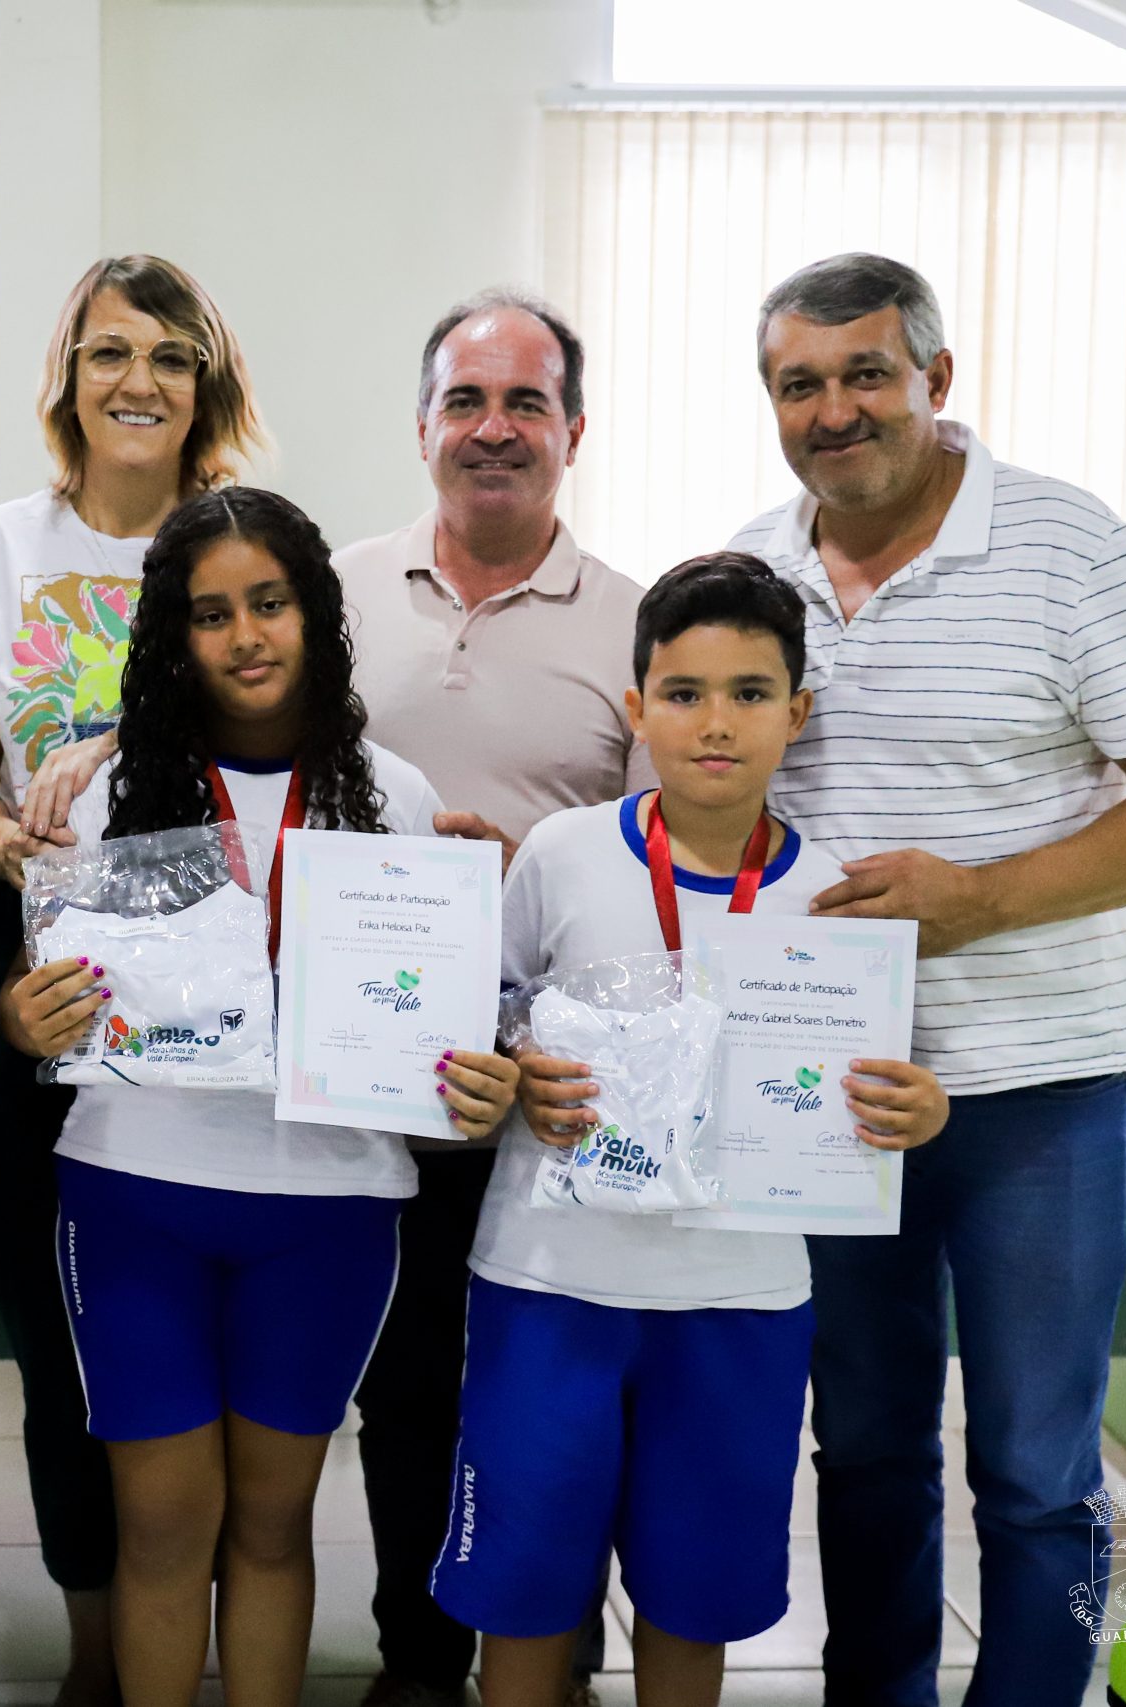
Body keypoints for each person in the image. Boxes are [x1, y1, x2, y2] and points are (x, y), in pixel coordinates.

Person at [728, 253, 1126, 1707]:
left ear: (937, 383)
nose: (836, 411)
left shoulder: (1073, 550)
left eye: (866, 375)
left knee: (1034, 1467)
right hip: (833, 1098)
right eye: (800, 383)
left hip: (1041, 1095)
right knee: (873, 1445)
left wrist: (981, 902)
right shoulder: (756, 567)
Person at [2, 487, 521, 1707]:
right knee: (164, 1527)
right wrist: (24, 1020)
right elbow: (50, 1009)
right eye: (211, 613)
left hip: (328, 1205)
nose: (245, 636)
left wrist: (472, 1059)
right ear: (172, 638)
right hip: (136, 1194)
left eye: (271, 603)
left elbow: (433, 1030)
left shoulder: (391, 794)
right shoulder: (100, 792)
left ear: (316, 613)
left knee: (277, 1527)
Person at [432, 552, 950, 1707]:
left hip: (739, 1305)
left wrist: (921, 1108)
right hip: (548, 1286)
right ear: (636, 708)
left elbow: (882, 1078)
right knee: (521, 1593)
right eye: (683, 693)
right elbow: (487, 1023)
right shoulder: (563, 855)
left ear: (796, 713)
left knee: (694, 1598)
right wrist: (514, 1075)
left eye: (750, 694)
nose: (715, 725)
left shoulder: (836, 897)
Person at [0, 256, 266, 1697]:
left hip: (215, 979)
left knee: (202, 1328)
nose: (141, 379)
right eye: (110, 351)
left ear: (210, 384)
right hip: (42, 972)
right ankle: (98, 1643)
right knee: (69, 1337)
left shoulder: (245, 544)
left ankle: (198, 1623)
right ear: (67, 375)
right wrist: (8, 843)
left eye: (172, 355)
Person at [331, 289, 653, 1707]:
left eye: (527, 402)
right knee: (403, 1385)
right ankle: (417, 1653)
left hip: (567, 1082)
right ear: (422, 429)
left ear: (574, 431)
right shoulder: (331, 595)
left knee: (548, 1397)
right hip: (380, 1063)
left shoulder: (642, 625)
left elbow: (668, 865)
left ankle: (552, 1653)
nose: (495, 428)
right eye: (468, 401)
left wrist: (534, 865)